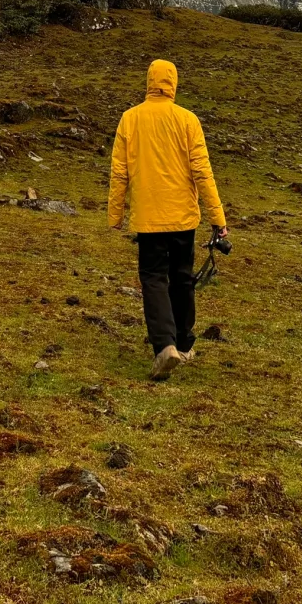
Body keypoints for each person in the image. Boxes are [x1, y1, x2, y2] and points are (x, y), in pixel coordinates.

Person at [108, 59, 228, 380]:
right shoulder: (188, 121)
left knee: (154, 279)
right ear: (173, 83)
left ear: (149, 81)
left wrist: (115, 214)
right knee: (182, 277)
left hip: (148, 219)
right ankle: (185, 344)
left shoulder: (130, 119)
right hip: (183, 218)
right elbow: (202, 172)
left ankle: (165, 347)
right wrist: (218, 218)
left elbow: (119, 172)